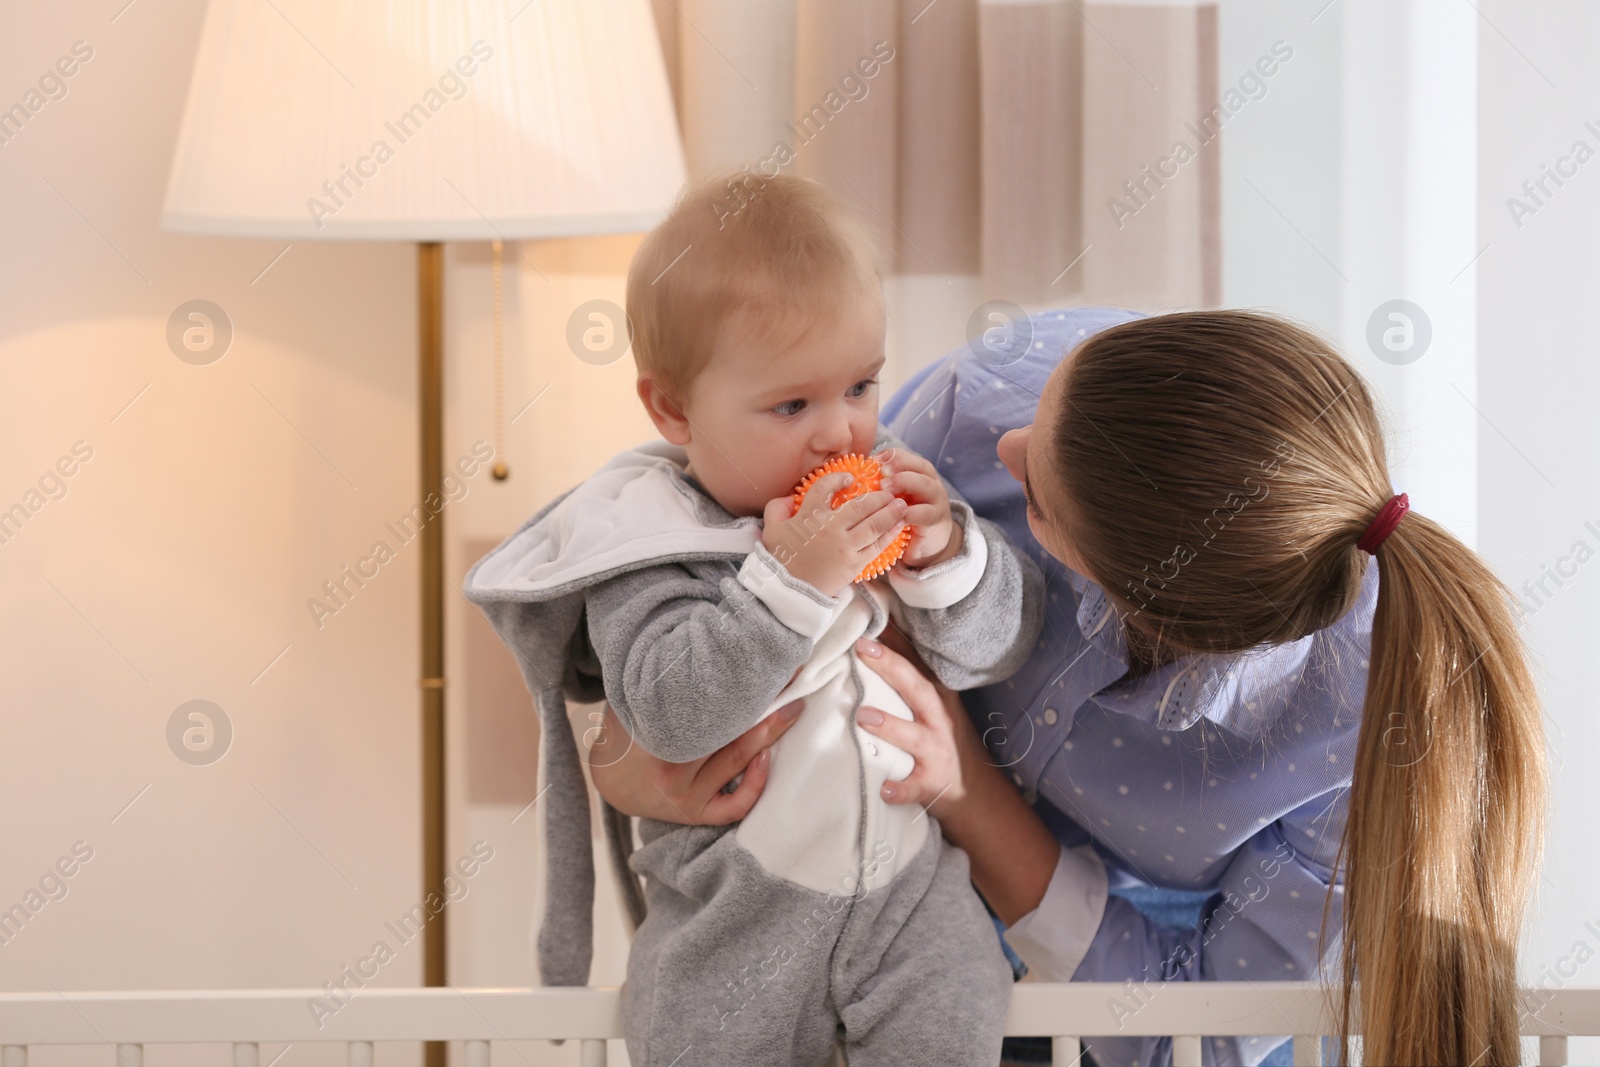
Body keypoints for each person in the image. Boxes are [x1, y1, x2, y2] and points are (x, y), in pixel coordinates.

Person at [590, 306, 1547, 1067]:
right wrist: (629, 745)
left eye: (1035, 500)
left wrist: (969, 789)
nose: (1001, 457)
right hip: (841, 876)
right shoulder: (990, 402)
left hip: (1054, 984)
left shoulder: (1356, 744)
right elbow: (696, 552)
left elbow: (1197, 1030)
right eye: (1040, 414)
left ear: (1144, 612)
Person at [464, 172, 1047, 1066]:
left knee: (966, 1000)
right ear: (674, 409)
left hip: (908, 892)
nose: (842, 435)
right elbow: (671, 714)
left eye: (861, 385)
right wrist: (789, 582)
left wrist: (947, 563)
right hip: (736, 913)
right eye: (791, 405)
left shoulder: (889, 486)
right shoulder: (655, 545)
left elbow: (995, 652)